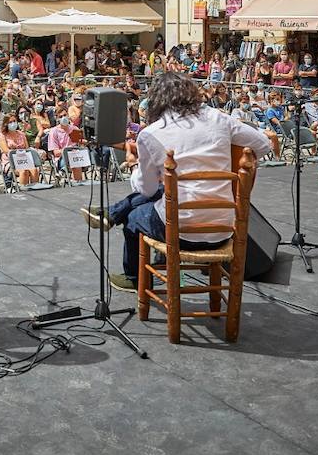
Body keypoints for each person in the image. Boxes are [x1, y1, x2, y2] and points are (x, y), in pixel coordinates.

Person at [104, 71, 272, 292]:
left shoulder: (151, 134)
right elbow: (263, 145)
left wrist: (135, 166)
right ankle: (110, 213)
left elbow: (145, 189)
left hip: (180, 232)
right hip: (223, 228)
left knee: (134, 218)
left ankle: (134, 278)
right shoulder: (218, 118)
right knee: (162, 195)